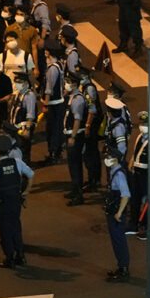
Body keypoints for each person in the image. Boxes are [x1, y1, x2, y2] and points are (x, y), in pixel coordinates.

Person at [0, 135, 34, 268]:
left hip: (2, 203)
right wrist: (26, 192)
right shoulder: (17, 163)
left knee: (5, 230)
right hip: (16, 201)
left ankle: (9, 257)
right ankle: (20, 255)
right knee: (16, 227)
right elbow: (31, 175)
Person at [103, 148, 131, 282]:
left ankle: (124, 269)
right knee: (116, 241)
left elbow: (125, 195)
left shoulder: (118, 174)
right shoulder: (114, 172)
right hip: (113, 211)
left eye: (109, 157)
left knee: (119, 241)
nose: (106, 159)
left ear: (115, 159)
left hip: (116, 213)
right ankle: (121, 267)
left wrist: (119, 213)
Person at [63, 73, 87, 206]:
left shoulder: (77, 99)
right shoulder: (72, 97)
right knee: (72, 164)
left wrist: (72, 136)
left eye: (68, 82)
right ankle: (74, 189)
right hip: (71, 134)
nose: (66, 84)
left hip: (76, 136)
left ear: (74, 84)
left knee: (76, 165)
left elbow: (77, 119)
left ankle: (79, 195)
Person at [128, 111, 149, 239]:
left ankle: (144, 226)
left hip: (146, 174)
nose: (142, 126)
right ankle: (133, 223)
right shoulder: (140, 136)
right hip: (136, 172)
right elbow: (135, 152)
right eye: (142, 123)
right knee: (134, 199)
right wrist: (131, 162)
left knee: (147, 200)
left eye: (145, 123)